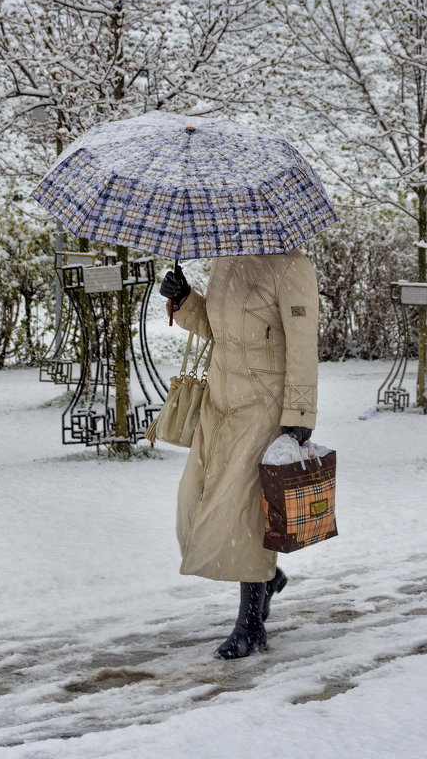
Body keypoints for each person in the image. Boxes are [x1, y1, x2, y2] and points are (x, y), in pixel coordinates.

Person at [158, 250, 319, 659]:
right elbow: (215, 330)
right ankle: (267, 576)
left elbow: (303, 343)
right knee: (192, 502)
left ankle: (251, 623)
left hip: (263, 406)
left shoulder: (291, 266)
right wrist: (186, 299)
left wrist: (299, 414)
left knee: (244, 513)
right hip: (218, 403)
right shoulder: (225, 261)